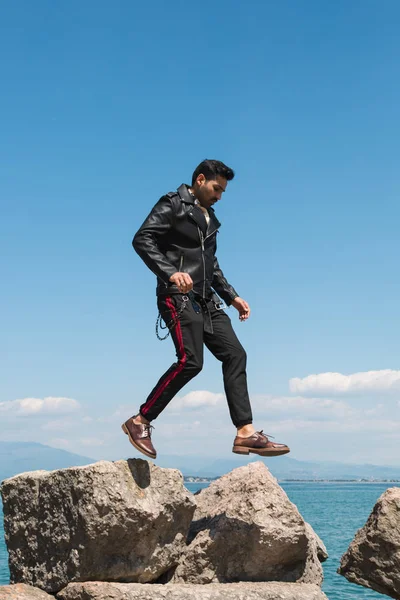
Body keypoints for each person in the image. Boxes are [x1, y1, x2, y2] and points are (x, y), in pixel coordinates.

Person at [122, 159, 290, 460]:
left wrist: (231, 296)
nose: (219, 196)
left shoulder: (210, 218)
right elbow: (142, 239)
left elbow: (210, 265)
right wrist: (170, 272)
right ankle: (140, 421)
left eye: (223, 191)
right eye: (216, 188)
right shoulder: (173, 204)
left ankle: (245, 433)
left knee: (235, 354)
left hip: (207, 299)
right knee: (191, 362)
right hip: (177, 296)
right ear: (200, 180)